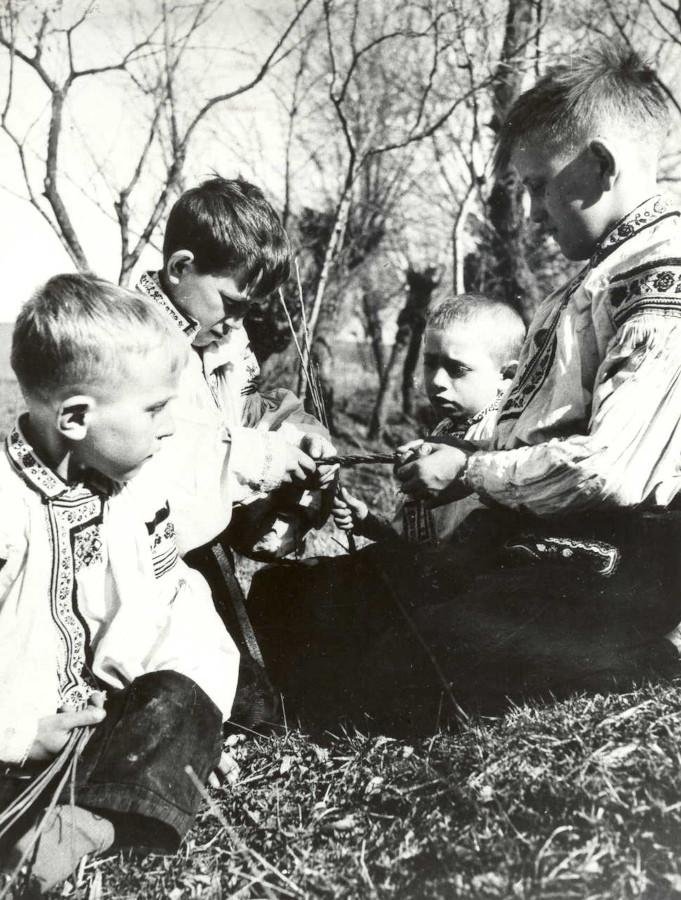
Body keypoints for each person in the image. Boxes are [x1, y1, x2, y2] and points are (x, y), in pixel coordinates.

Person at [248, 45, 681, 735]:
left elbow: (608, 471)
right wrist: (447, 451)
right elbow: (535, 422)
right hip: (530, 546)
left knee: (393, 669)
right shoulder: (590, 276)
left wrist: (469, 469)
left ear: (599, 166)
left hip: (613, 571)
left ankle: (642, 660)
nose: (534, 213)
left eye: (539, 184)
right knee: (289, 598)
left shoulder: (663, 280)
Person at [0, 275, 240, 893]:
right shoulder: (7, 510)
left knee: (185, 694)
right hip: (16, 741)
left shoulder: (131, 490)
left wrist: (190, 720)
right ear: (77, 416)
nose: (169, 428)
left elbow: (171, 606)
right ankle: (82, 817)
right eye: (157, 410)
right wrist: (21, 733)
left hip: (95, 727)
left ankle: (86, 823)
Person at [136, 176, 336, 559]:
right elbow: (148, 455)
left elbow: (247, 413)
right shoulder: (129, 341)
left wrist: (300, 440)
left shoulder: (225, 341)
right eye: (231, 303)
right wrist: (259, 457)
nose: (237, 322)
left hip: (204, 549)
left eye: (249, 308)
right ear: (180, 267)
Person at [332, 294, 526, 544]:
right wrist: (368, 522)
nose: (436, 381)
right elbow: (415, 543)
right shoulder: (444, 429)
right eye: (430, 363)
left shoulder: (502, 438)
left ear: (507, 375)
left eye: (457, 369)